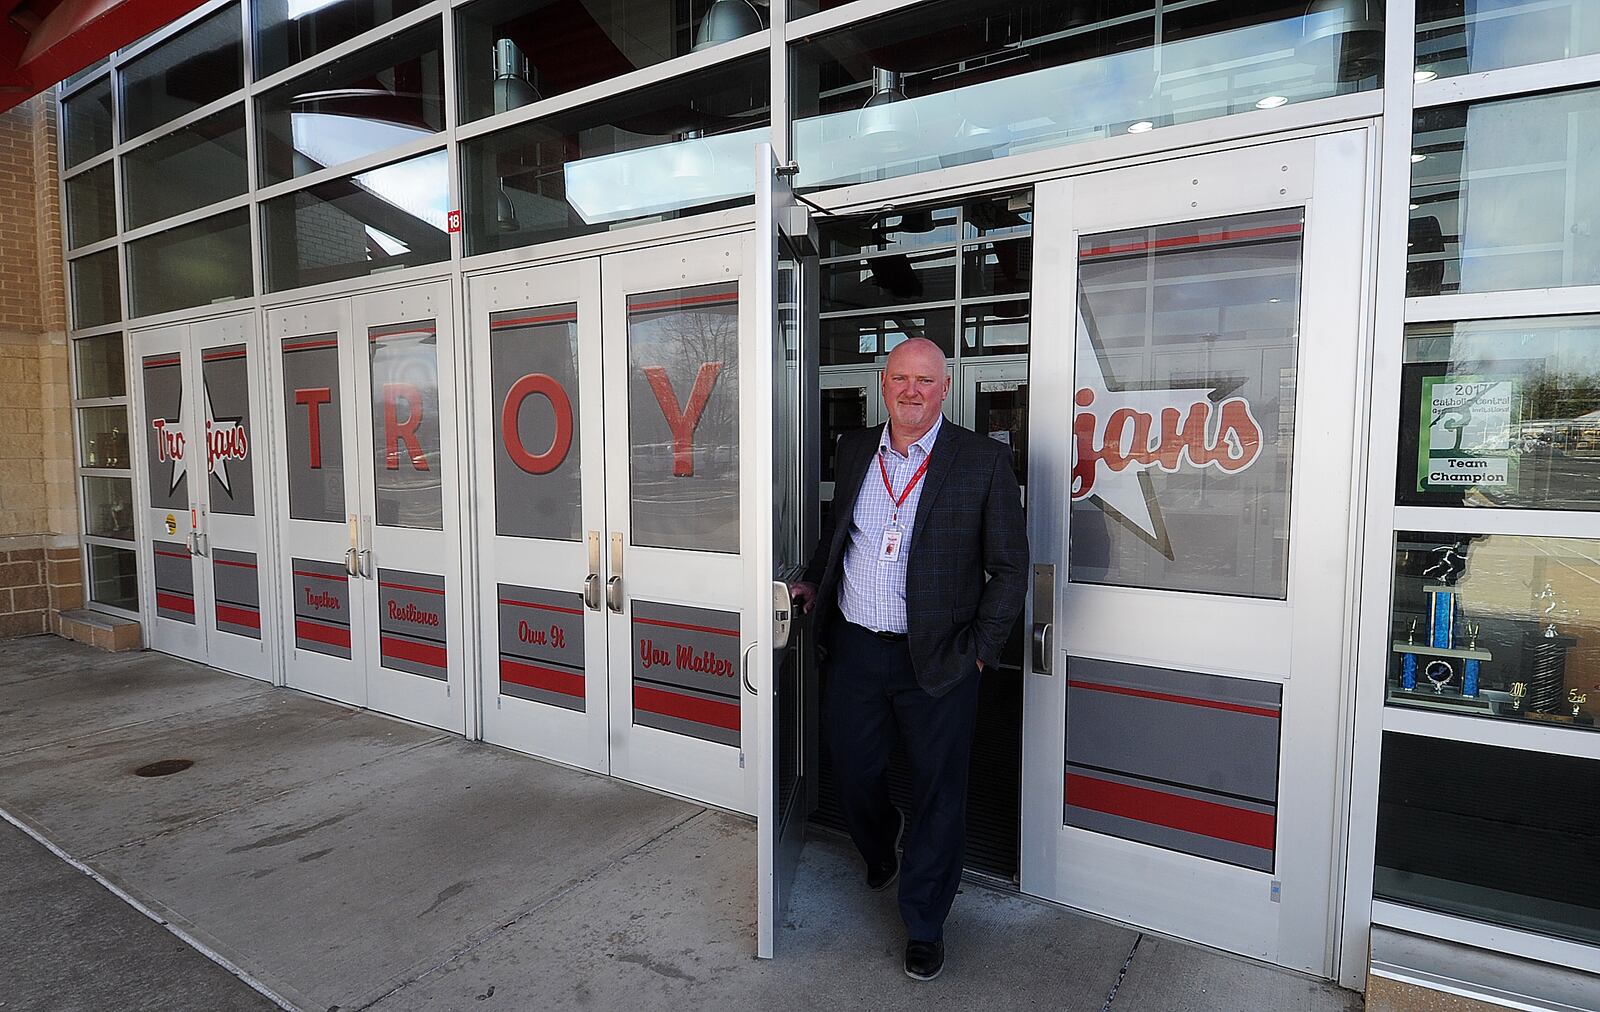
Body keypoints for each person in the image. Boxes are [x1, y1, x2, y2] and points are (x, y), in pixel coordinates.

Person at [790, 337, 1028, 981]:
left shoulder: (979, 462)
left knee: (939, 794)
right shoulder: (856, 447)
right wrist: (813, 579)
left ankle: (925, 921)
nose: (912, 390)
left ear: (945, 389)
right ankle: (878, 838)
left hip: (943, 658)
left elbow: (1009, 569)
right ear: (883, 384)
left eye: (925, 380)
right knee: (852, 767)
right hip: (858, 648)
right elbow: (839, 531)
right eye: (900, 378)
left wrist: (981, 652)